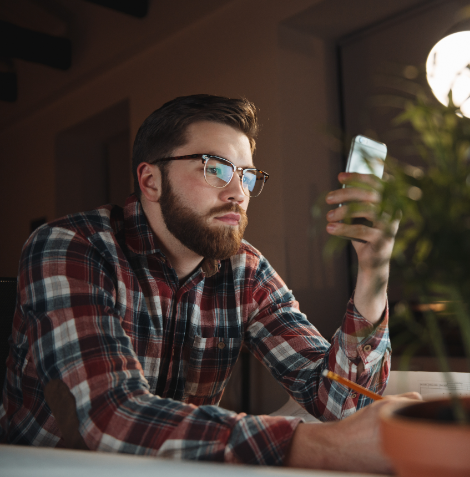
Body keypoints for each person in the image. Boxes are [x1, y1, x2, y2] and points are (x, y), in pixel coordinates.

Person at [0, 94, 417, 473]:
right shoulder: (70, 247)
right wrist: (324, 445)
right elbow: (109, 418)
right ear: (150, 181)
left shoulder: (245, 269)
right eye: (214, 168)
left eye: (248, 175)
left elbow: (343, 403)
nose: (238, 192)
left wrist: (374, 270)